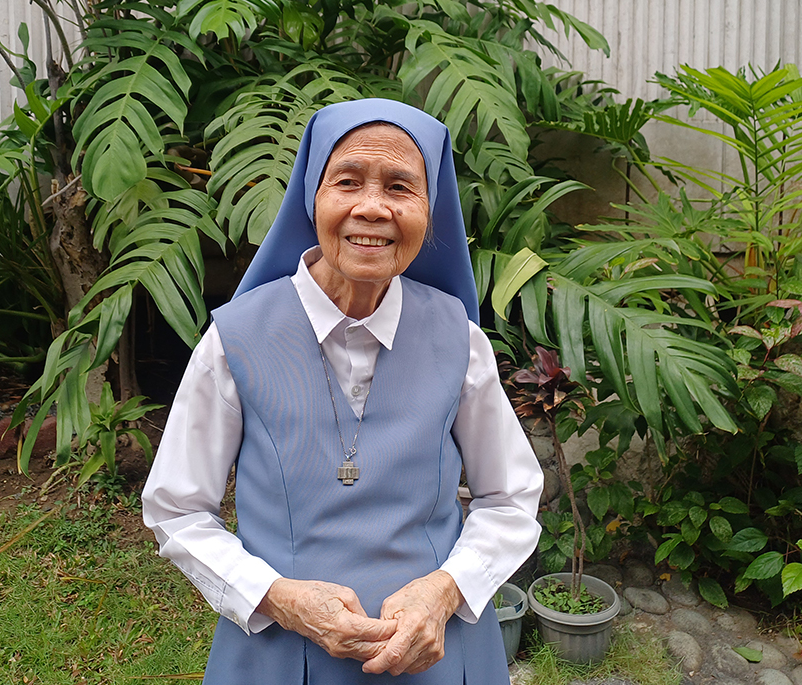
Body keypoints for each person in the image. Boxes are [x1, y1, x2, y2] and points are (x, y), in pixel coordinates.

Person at [141, 98, 544, 684]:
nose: (372, 208)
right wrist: (278, 597)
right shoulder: (235, 339)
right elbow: (177, 508)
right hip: (280, 653)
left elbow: (510, 495)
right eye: (347, 181)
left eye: (401, 187)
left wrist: (444, 591)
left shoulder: (459, 340)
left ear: (430, 211)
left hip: (438, 650)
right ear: (313, 196)